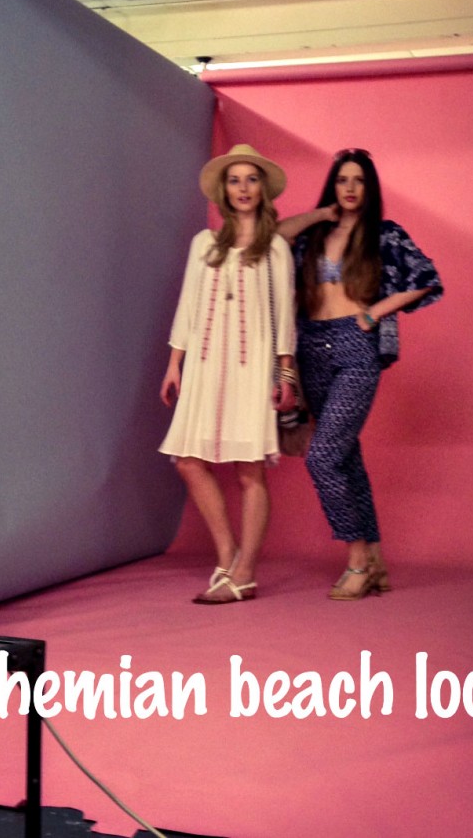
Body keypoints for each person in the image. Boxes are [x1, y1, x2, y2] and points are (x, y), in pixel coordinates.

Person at [278, 148, 442, 600]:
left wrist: (373, 313)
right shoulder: (314, 235)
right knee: (347, 459)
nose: (350, 188)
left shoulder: (384, 234)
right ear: (333, 186)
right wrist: (320, 214)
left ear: (370, 188)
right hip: (311, 346)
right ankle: (376, 561)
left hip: (356, 346)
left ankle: (356, 563)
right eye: (342, 180)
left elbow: (426, 277)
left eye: (359, 180)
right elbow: (275, 236)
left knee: (322, 457)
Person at [159, 144, 297, 604]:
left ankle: (246, 573)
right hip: (204, 365)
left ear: (262, 190)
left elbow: (284, 316)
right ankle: (228, 559)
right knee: (188, 461)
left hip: (251, 367)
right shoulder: (204, 243)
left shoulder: (275, 248)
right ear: (224, 189)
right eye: (235, 180)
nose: (243, 188)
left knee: (249, 471)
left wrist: (285, 375)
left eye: (251, 179)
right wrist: (174, 364)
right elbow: (187, 306)